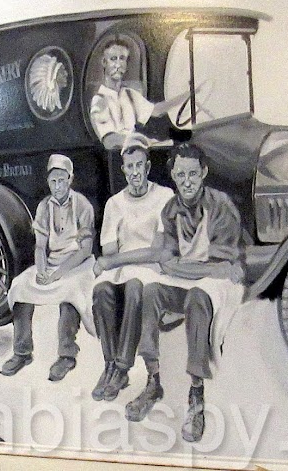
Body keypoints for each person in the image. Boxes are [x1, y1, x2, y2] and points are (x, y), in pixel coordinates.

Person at [123, 142, 246, 442]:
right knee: (151, 291)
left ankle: (196, 396)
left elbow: (224, 267)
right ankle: (153, 381)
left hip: (219, 286)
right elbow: (165, 260)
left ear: (203, 172)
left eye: (192, 174)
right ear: (173, 177)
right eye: (180, 175)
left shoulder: (221, 206)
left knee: (197, 298)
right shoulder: (170, 210)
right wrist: (184, 267)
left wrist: (182, 267)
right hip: (193, 277)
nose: (187, 181)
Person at [89, 133, 176, 401]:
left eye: (140, 165)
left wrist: (114, 260)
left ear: (147, 167)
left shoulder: (164, 196)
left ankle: (123, 366)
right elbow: (108, 248)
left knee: (135, 286)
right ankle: (109, 365)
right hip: (122, 270)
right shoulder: (115, 203)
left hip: (151, 270)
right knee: (102, 290)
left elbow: (157, 251)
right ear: (123, 169)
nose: (135, 172)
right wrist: (113, 260)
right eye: (130, 166)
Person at [0, 154, 96, 381]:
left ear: (70, 179)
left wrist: (57, 275)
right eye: (53, 181)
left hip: (78, 265)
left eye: (62, 180)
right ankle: (22, 351)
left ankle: (67, 355)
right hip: (52, 263)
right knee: (20, 286)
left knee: (70, 292)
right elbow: (41, 246)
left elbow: (85, 250)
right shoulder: (44, 207)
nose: (58, 186)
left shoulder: (82, 204)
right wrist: (42, 270)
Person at [88, 41, 156, 150]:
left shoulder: (129, 94)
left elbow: (156, 111)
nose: (118, 65)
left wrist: (183, 97)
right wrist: (139, 141)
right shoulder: (99, 100)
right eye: (113, 59)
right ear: (104, 62)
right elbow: (109, 141)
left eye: (122, 58)